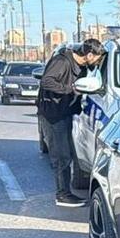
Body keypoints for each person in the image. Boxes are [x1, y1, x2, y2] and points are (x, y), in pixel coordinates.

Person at [37, 39, 105, 208]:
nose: (98, 62)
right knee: (62, 156)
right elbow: (47, 81)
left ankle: (65, 192)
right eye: (97, 59)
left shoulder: (81, 67)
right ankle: (62, 195)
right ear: (89, 55)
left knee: (66, 155)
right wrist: (70, 89)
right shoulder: (62, 61)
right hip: (53, 115)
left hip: (65, 114)